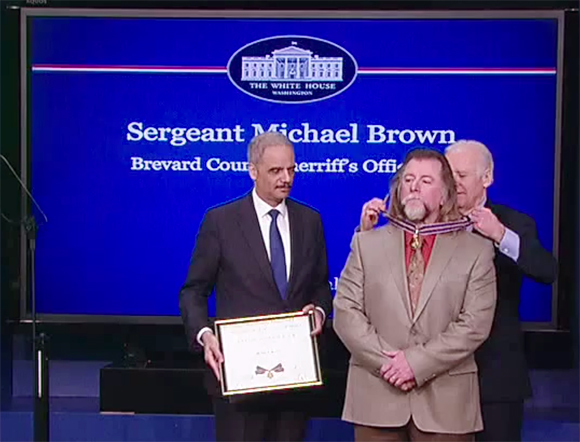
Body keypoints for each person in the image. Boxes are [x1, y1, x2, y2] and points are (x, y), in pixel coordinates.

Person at [360, 140, 558, 442]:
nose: (455, 183)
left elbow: (547, 271)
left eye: (462, 175)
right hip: (436, 381)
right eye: (449, 176)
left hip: (493, 379)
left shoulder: (515, 223)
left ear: (487, 177)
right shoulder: (422, 222)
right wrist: (367, 234)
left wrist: (500, 235)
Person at [334, 148, 497, 441]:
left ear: (445, 194)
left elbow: (475, 325)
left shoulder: (477, 250)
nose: (414, 187)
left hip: (447, 407)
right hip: (376, 399)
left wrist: (416, 364)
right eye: (408, 180)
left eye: (425, 181)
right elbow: (345, 314)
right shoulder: (366, 244)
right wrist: (390, 365)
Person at [179, 131, 332, 442]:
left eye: (291, 169)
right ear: (253, 171)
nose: (286, 178)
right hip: (240, 384)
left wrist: (318, 311)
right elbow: (193, 291)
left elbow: (320, 287)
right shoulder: (221, 221)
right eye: (276, 171)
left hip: (293, 381)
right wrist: (205, 335)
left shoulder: (310, 221)